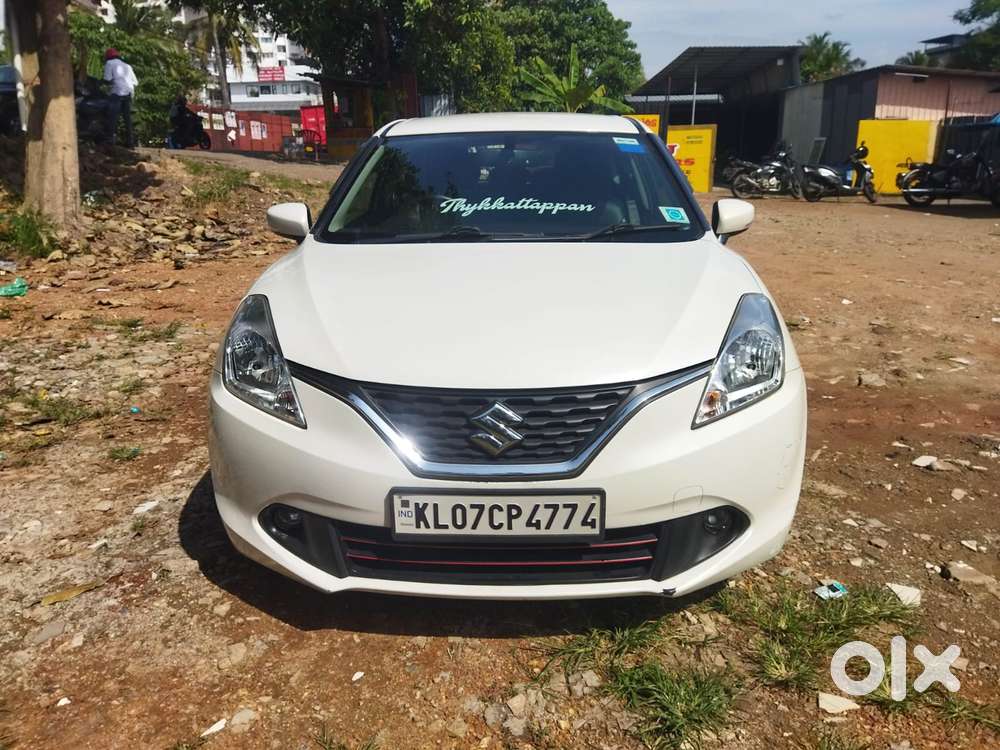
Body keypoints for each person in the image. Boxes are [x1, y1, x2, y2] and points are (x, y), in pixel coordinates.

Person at [103, 48, 137, 147]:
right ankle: (130, 142)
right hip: (129, 93)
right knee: (127, 118)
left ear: (107, 57)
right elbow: (135, 82)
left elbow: (107, 79)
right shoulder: (127, 66)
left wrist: (102, 83)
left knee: (112, 117)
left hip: (117, 92)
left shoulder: (109, 63)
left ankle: (110, 139)